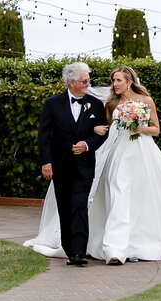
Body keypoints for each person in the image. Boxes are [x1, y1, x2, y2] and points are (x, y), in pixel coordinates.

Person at [27, 65, 161, 262]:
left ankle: (140, 242)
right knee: (118, 191)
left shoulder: (146, 101)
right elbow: (105, 127)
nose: (114, 84)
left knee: (148, 196)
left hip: (142, 152)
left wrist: (139, 127)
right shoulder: (111, 103)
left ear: (129, 81)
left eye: (118, 80)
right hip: (119, 153)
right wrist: (95, 133)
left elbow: (156, 129)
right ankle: (115, 249)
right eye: (113, 80)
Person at [32, 62, 109, 266]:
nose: (88, 84)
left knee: (79, 207)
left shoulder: (95, 105)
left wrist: (87, 144)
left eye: (88, 81)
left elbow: (102, 133)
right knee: (65, 208)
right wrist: (46, 162)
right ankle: (69, 251)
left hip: (84, 166)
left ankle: (79, 252)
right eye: (84, 81)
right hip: (60, 165)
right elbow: (44, 136)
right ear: (72, 82)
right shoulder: (53, 104)